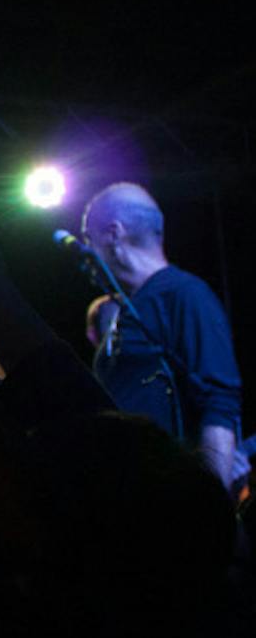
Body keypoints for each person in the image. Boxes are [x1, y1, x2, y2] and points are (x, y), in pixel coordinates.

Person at [81, 182, 242, 490]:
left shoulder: (184, 294)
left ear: (114, 234)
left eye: (89, 238)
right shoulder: (127, 309)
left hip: (170, 500)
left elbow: (219, 402)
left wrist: (211, 504)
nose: (86, 253)